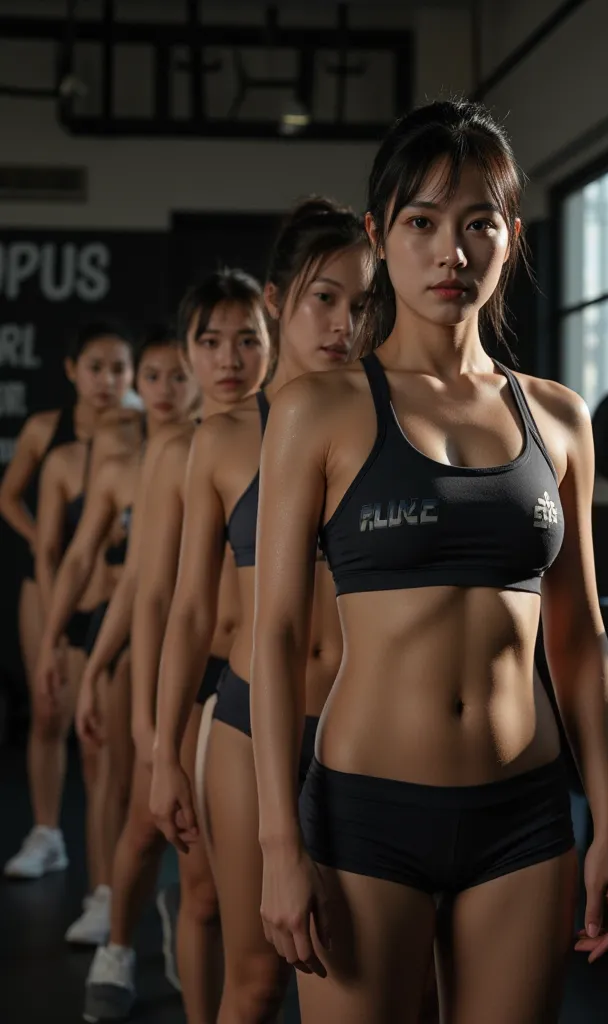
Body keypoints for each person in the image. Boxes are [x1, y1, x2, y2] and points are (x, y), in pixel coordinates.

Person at [249, 100, 608, 1024]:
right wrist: (277, 842)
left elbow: (579, 638)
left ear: (511, 236)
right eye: (421, 223)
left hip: (526, 821)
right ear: (380, 236)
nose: (449, 253)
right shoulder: (321, 411)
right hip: (363, 821)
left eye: (477, 224)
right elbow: (273, 636)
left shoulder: (559, 417)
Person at [150, 197, 370, 1024]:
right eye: (324, 299)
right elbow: (184, 611)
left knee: (367, 975)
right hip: (245, 724)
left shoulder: (380, 422)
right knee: (257, 978)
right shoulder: (225, 437)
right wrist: (164, 750)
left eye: (362, 304)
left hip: (362, 726)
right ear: (278, 300)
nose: (344, 325)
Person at [83, 268, 270, 1024]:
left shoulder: (302, 427)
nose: (229, 360)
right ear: (188, 354)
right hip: (192, 678)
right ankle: (125, 949)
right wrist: (148, 727)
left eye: (247, 341)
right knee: (190, 880)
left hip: (264, 679)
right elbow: (155, 593)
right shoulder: (176, 452)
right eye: (211, 343)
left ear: (271, 344)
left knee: (247, 895)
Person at [33, 326, 196, 944]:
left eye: (176, 376)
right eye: (151, 377)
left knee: (179, 777)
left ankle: (181, 907)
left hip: (193, 628)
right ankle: (107, 896)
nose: (163, 390)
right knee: (111, 772)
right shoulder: (119, 461)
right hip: (125, 625)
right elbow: (78, 558)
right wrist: (53, 640)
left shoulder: (213, 447)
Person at [3, 322, 135, 882]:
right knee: (48, 712)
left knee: (96, 733)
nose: (106, 380)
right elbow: (9, 497)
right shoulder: (46, 432)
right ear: (72, 370)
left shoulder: (139, 431)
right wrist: (43, 542)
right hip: (50, 589)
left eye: (118, 369)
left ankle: (106, 878)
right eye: (95, 368)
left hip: (109, 596)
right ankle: (46, 831)